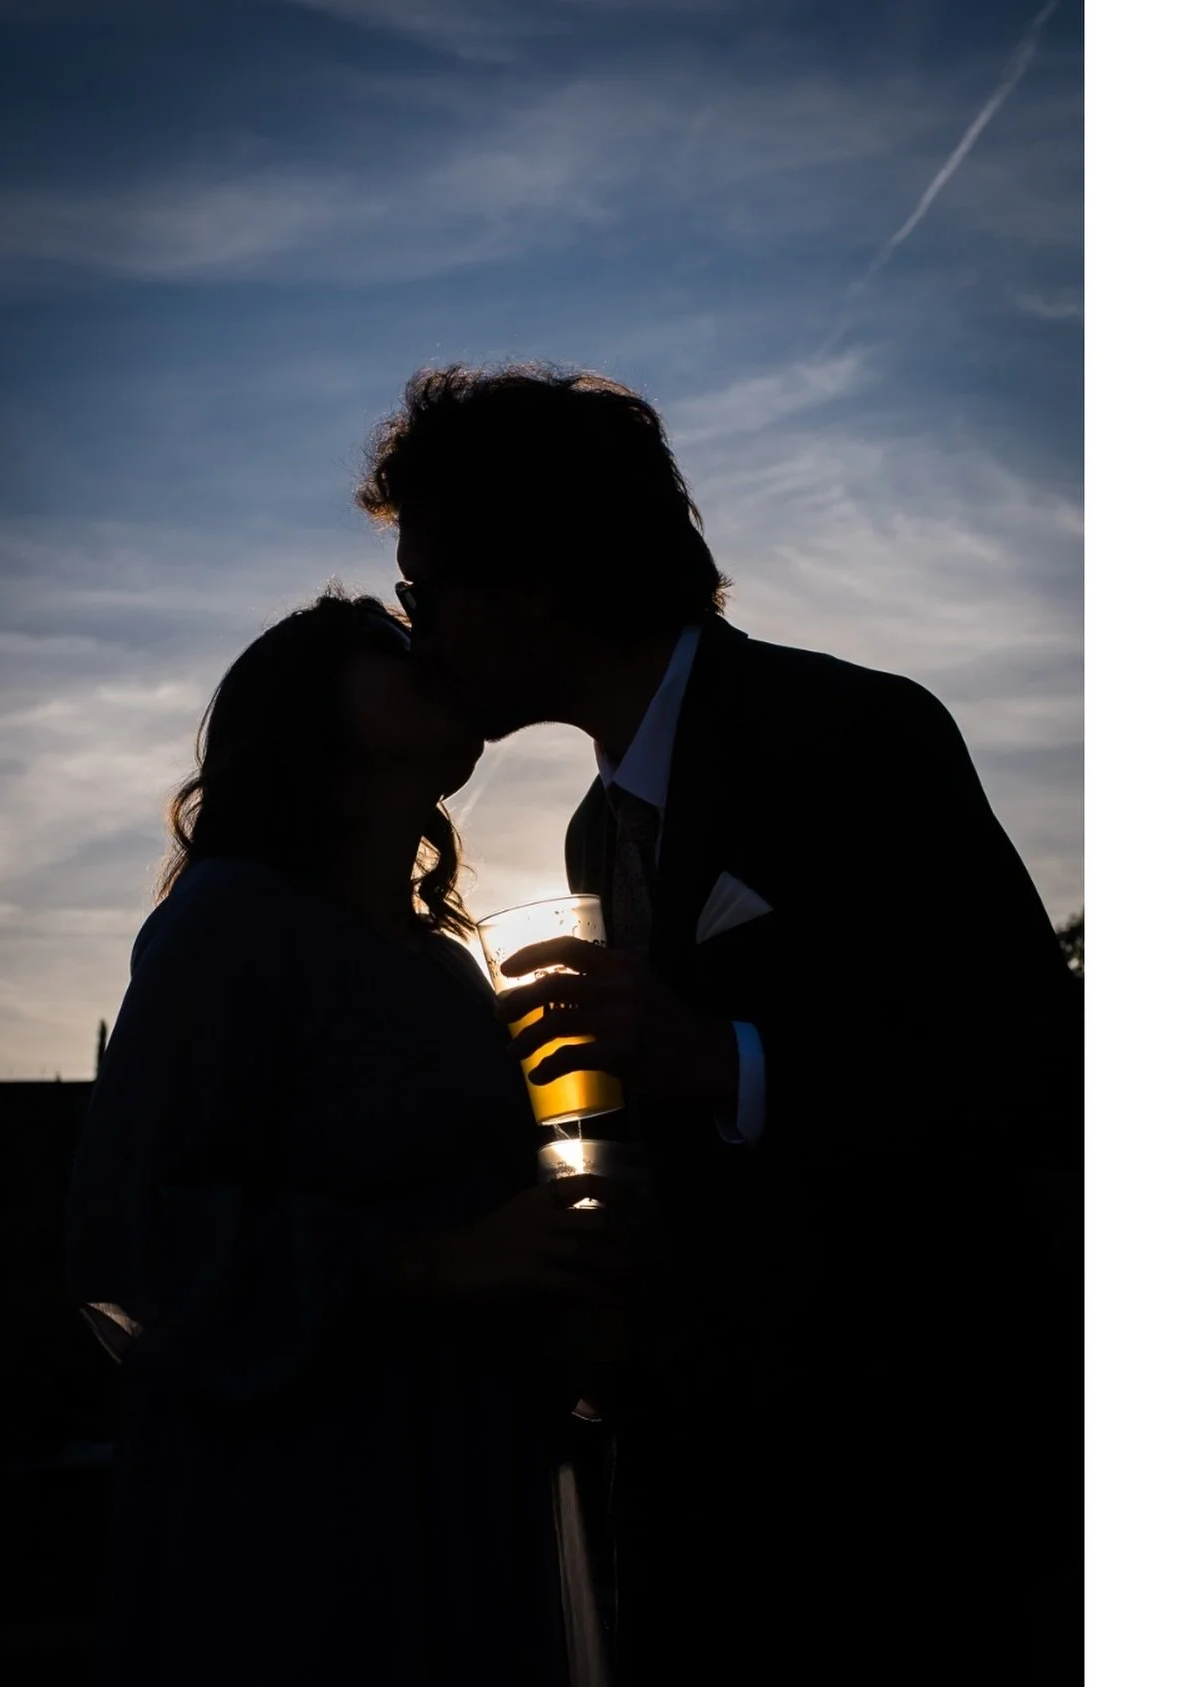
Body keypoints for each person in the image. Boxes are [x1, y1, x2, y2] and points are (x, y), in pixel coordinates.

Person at [356, 364, 1084, 1685]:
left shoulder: (855, 733)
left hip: (909, 1523)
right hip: (703, 1504)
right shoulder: (590, 832)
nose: (416, 634)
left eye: (423, 591)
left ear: (525, 580)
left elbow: (1043, 1069)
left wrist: (727, 1061)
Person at [64, 590, 631, 1687]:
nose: (423, 651)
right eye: (381, 647)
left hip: (465, 1490)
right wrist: (429, 1263)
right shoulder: (227, 924)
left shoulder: (444, 963)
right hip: (300, 1520)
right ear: (304, 717)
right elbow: (129, 1242)